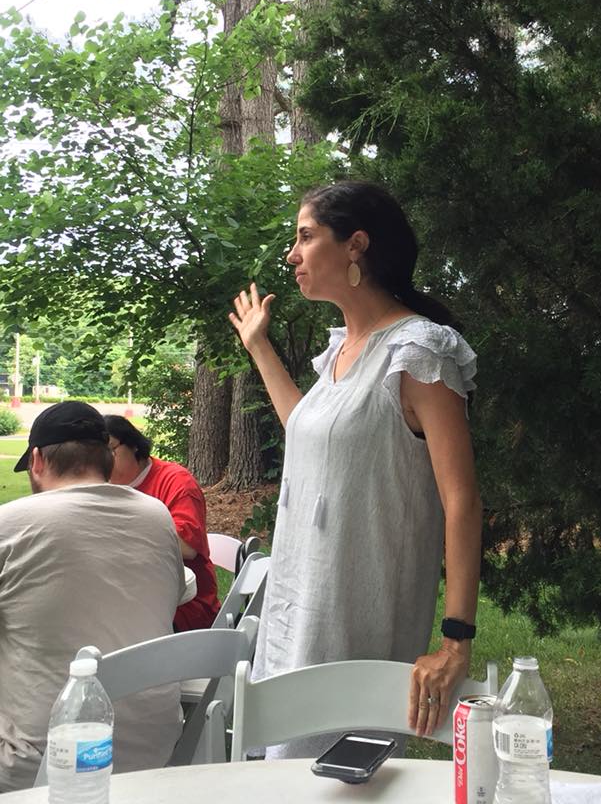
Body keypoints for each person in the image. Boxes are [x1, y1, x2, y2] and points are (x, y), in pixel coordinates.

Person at [229, 180, 483, 758]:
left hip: (356, 617)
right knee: (283, 775)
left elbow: (461, 499)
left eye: (306, 236)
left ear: (355, 246)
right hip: (298, 603)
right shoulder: (344, 349)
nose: (292, 255)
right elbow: (310, 431)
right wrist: (260, 347)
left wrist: (456, 642)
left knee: (337, 780)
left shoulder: (418, 351)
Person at [0, 401, 186, 793]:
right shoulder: (158, 516)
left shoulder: (11, 524)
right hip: (152, 752)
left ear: (37, 460)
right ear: (106, 458)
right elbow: (175, 595)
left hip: (41, 763)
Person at [104, 416, 220, 632]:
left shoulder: (176, 481)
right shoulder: (102, 487)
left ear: (135, 446)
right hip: (131, 596)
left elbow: (187, 548)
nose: (103, 461)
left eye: (110, 450)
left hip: (184, 606)